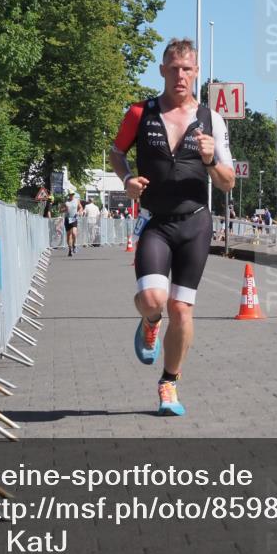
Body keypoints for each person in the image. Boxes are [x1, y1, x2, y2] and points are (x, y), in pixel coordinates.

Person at [110, 38, 234, 416]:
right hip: (156, 222)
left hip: (195, 223)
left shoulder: (212, 120)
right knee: (153, 300)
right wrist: (127, 179)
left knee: (181, 309)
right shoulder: (139, 113)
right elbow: (117, 153)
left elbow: (227, 182)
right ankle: (149, 323)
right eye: (173, 68)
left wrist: (211, 161)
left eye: (187, 69)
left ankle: (169, 384)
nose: (180, 76)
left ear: (196, 73)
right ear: (162, 71)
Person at [61, 191, 82, 256]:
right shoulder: (66, 201)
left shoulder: (77, 200)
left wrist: (79, 212)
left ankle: (74, 245)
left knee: (74, 233)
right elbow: (60, 210)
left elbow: (80, 207)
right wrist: (65, 209)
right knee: (68, 235)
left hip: (73, 218)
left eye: (73, 194)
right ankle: (70, 250)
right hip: (67, 219)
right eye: (70, 194)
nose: (71, 195)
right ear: (68, 195)